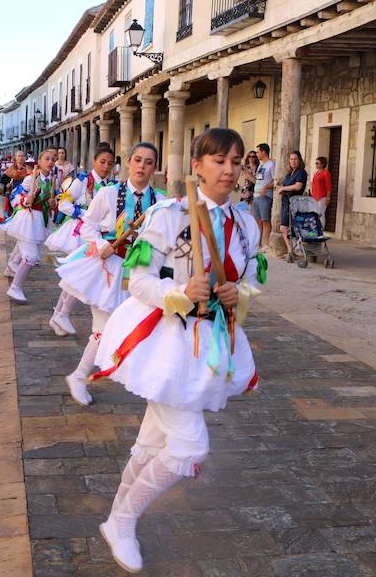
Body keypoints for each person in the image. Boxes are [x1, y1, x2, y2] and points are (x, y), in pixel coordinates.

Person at [93, 129, 263, 573]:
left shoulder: (246, 223)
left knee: (152, 442)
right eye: (219, 160)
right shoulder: (168, 215)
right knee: (189, 447)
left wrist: (236, 294)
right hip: (166, 342)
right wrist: (181, 290)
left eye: (236, 161)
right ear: (197, 165)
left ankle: (115, 519)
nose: (229, 169)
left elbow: (250, 283)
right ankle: (124, 521)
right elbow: (140, 281)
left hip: (210, 343)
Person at [57, 142, 165, 406]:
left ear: (154, 167)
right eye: (137, 160)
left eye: (148, 162)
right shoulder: (107, 194)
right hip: (109, 268)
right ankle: (80, 376)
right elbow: (87, 227)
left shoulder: (160, 202)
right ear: (128, 162)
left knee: (138, 327)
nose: (141, 166)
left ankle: (142, 377)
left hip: (140, 272)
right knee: (104, 329)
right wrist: (102, 245)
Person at [47, 143, 117, 337]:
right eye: (102, 162)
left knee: (79, 277)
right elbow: (63, 204)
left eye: (110, 163)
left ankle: (59, 315)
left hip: (97, 236)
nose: (105, 166)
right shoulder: (82, 181)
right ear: (94, 161)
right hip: (81, 233)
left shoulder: (110, 186)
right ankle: (61, 314)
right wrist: (85, 214)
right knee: (81, 277)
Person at [1, 148, 58, 302]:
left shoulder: (53, 180)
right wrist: (27, 199)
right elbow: (15, 196)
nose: (50, 162)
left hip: (41, 219)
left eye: (53, 159)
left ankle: (11, 266)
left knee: (25, 245)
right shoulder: (31, 178)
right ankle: (15, 287)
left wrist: (53, 203)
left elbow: (52, 201)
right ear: (39, 162)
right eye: (47, 158)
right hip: (28, 217)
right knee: (31, 256)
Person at [277, 150, 308, 261]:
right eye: (291, 159)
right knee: (285, 228)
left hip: (294, 204)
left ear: (299, 160)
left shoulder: (301, 172)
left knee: (285, 228)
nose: (293, 161)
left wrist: (283, 188)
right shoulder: (289, 173)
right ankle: (291, 251)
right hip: (286, 203)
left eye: (295, 159)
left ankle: (292, 251)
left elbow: (298, 186)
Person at [253, 143, 274, 249]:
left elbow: (276, 181)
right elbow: (258, 180)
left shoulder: (271, 165)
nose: (256, 154)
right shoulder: (261, 165)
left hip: (265, 197)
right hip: (256, 196)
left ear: (263, 152)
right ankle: (258, 244)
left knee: (265, 221)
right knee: (258, 221)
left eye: (258, 152)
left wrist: (265, 188)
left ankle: (267, 244)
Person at [311, 156, 332, 227]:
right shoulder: (316, 173)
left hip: (322, 197)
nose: (316, 164)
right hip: (314, 197)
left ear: (322, 164)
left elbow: (328, 186)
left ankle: (321, 230)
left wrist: (328, 198)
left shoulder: (326, 173)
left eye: (317, 163)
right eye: (315, 163)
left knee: (320, 213)